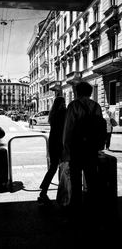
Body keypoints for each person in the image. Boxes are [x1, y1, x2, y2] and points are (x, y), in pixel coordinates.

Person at [62, 81, 106, 218]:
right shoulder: (96, 106)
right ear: (90, 92)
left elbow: (68, 130)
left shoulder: (73, 105)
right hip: (91, 149)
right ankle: (92, 209)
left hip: (76, 149)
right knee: (92, 179)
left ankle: (77, 210)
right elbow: (100, 128)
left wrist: (66, 150)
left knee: (76, 181)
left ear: (77, 92)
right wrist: (99, 146)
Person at [38, 97, 66, 204]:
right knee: (62, 166)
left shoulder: (52, 113)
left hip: (52, 142)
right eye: (64, 102)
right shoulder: (63, 112)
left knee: (53, 167)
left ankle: (43, 191)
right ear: (62, 103)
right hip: (61, 142)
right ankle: (62, 189)